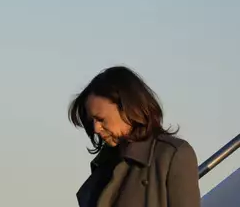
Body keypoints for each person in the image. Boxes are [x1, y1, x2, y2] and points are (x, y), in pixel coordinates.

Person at [68, 65, 201, 207]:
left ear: (128, 108)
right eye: (91, 121)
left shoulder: (172, 155)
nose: (96, 128)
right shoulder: (104, 165)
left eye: (101, 119)